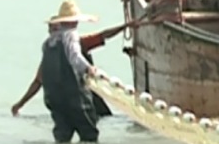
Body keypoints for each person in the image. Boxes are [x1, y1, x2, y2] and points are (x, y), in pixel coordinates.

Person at [11, 17, 142, 116]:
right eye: (51, 29)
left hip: (75, 101)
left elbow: (103, 35)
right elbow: (38, 82)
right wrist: (20, 104)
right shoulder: (51, 52)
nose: (53, 33)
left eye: (55, 29)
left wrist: (125, 26)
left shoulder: (72, 45)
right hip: (79, 101)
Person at [35, 0, 101, 144]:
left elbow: (43, 75)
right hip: (75, 97)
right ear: (74, 21)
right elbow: (74, 57)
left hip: (54, 99)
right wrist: (88, 68)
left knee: (62, 137)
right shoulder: (71, 35)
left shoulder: (48, 43)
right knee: (89, 135)